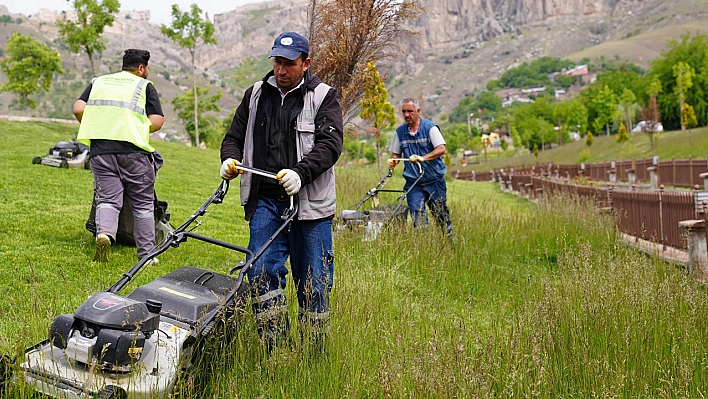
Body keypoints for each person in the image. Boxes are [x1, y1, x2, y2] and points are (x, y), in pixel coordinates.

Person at [219, 32, 343, 351]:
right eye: (277, 62)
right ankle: (276, 348)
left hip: (310, 207)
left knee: (314, 283)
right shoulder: (256, 95)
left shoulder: (324, 97)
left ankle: (314, 352)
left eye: (289, 64)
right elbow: (233, 137)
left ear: (306, 64)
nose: (281, 70)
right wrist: (229, 159)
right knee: (260, 270)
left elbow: (331, 145)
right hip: (267, 203)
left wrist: (301, 174)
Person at [74, 49, 164, 263]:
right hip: (133, 152)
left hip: (101, 151)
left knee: (107, 199)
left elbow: (78, 108)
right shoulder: (144, 86)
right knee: (142, 205)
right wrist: (137, 128)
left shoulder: (99, 81)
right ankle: (147, 256)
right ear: (141, 68)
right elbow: (158, 121)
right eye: (147, 68)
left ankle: (104, 234)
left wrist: (100, 126)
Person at [389, 98, 453, 240]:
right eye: (404, 111)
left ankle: (450, 248)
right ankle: (424, 252)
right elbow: (396, 153)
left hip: (434, 181)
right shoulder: (400, 132)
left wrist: (423, 158)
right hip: (414, 184)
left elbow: (441, 149)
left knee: (441, 218)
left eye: (410, 111)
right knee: (418, 221)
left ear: (418, 111)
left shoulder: (430, 128)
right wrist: (394, 161)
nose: (406, 114)